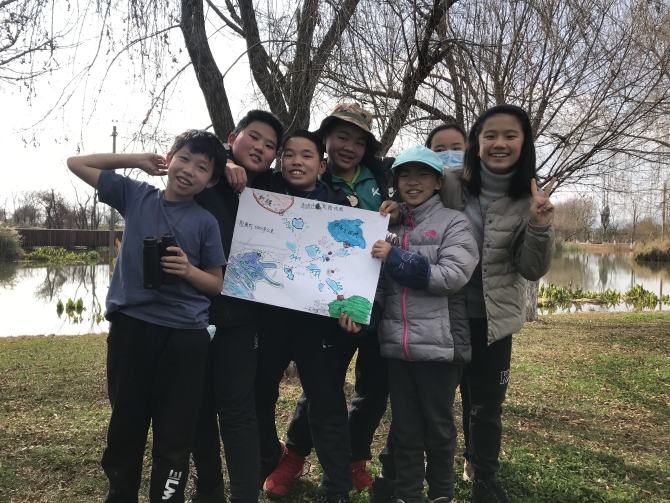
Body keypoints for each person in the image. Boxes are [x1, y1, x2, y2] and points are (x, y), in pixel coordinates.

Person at [378, 105, 557, 503]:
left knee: (485, 406)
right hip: (440, 312)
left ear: (524, 143)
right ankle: (397, 476)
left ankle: (483, 477)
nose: (499, 143)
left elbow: (532, 268)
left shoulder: (530, 197)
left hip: (492, 317)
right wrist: (394, 209)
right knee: (421, 404)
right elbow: (417, 198)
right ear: (476, 143)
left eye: (510, 135)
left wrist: (540, 224)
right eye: (490, 135)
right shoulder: (453, 183)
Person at [66, 130, 228, 503]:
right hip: (131, 331)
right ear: (169, 159)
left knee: (175, 433)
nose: (188, 170)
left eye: (202, 167)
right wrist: (136, 160)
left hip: (185, 337)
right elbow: (76, 163)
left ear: (211, 180)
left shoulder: (206, 222)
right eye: (183, 159)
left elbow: (216, 284)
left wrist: (188, 271)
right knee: (125, 426)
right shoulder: (135, 195)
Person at [263, 103, 399, 497]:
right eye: (341, 137)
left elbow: (418, 202)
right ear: (326, 140)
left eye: (359, 141)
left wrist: (399, 210)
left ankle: (354, 460)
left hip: (380, 298)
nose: (349, 147)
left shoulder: (384, 177)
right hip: (327, 304)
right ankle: (294, 455)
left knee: (374, 388)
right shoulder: (309, 177)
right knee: (323, 385)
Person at [342, 145, 478, 503]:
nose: (412, 182)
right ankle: (407, 495)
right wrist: (363, 317)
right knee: (405, 429)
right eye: (404, 175)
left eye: (422, 175)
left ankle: (441, 494)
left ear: (438, 182)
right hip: (398, 349)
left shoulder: (454, 222)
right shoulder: (389, 227)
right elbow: (379, 285)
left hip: (440, 348)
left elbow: (452, 276)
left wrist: (397, 256)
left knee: (439, 428)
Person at [188, 110, 284, 503]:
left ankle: (245, 495)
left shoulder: (275, 189)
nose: (260, 148)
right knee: (196, 408)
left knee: (237, 410)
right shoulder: (205, 173)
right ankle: (207, 490)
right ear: (232, 137)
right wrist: (220, 161)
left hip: (241, 320)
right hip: (191, 315)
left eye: (270, 145)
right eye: (253, 137)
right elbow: (182, 154)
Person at [254, 129, 355, 503]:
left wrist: (354, 308)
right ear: (280, 162)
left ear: (322, 165)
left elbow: (354, 267)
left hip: (319, 325)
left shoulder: (343, 208)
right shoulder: (260, 195)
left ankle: (337, 490)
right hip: (270, 320)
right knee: (258, 396)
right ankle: (269, 459)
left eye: (307, 155)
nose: (297, 161)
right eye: (289, 154)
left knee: (327, 405)